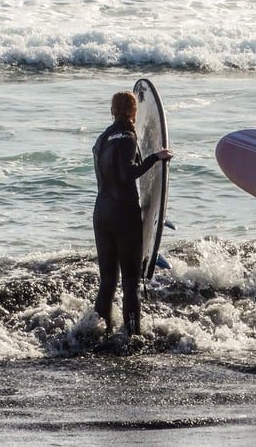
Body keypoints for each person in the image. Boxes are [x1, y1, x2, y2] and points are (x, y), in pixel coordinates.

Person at [92, 90, 172, 336]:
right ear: (133, 112)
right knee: (130, 282)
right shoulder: (127, 137)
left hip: (101, 213)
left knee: (107, 281)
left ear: (113, 110)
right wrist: (155, 158)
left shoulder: (102, 139)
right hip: (124, 214)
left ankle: (97, 332)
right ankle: (133, 336)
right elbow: (128, 174)